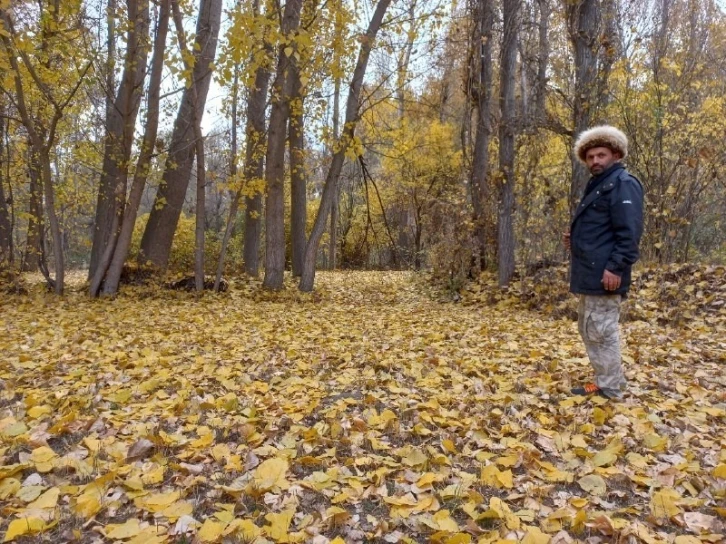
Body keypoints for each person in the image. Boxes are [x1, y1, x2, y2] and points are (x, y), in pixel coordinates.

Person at [563, 126, 644, 399]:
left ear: (616, 154)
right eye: (590, 157)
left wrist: (616, 267)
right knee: (590, 329)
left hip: (605, 274)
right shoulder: (601, 184)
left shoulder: (623, 183)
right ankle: (606, 381)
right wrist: (575, 240)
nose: (595, 161)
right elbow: (603, 229)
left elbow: (629, 233)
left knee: (601, 331)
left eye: (601, 154)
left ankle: (612, 388)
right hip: (591, 273)